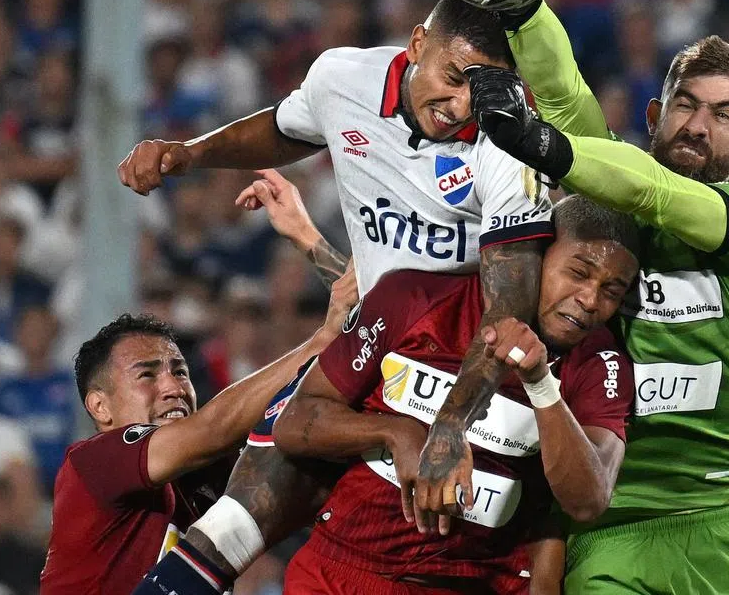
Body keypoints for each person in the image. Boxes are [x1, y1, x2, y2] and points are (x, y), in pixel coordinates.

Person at [119, 0, 555, 590]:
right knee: (235, 516)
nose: (460, 106)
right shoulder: (342, 79)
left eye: (478, 92)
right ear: (417, 45)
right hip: (368, 347)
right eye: (453, 78)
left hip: (462, 371)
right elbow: (284, 129)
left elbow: (508, 311)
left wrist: (451, 424)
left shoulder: (509, 140)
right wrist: (191, 154)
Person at [431, 0, 729, 593]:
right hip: (600, 520)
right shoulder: (611, 187)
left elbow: (658, 194)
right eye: (685, 105)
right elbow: (564, 94)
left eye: (723, 115)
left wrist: (542, 143)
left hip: (711, 522)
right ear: (654, 114)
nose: (698, 126)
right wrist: (523, 8)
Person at [272, 195, 640, 594]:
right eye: (578, 273)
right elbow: (294, 423)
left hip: (471, 583)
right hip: (341, 570)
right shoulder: (415, 298)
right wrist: (395, 433)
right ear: (537, 256)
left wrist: (540, 383)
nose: (589, 300)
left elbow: (588, 500)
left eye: (611, 291)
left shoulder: (599, 363)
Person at [38, 264, 356, 595]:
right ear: (100, 406)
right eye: (147, 375)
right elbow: (215, 427)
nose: (173, 388)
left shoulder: (205, 475)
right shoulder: (94, 462)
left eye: (180, 372)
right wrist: (321, 342)